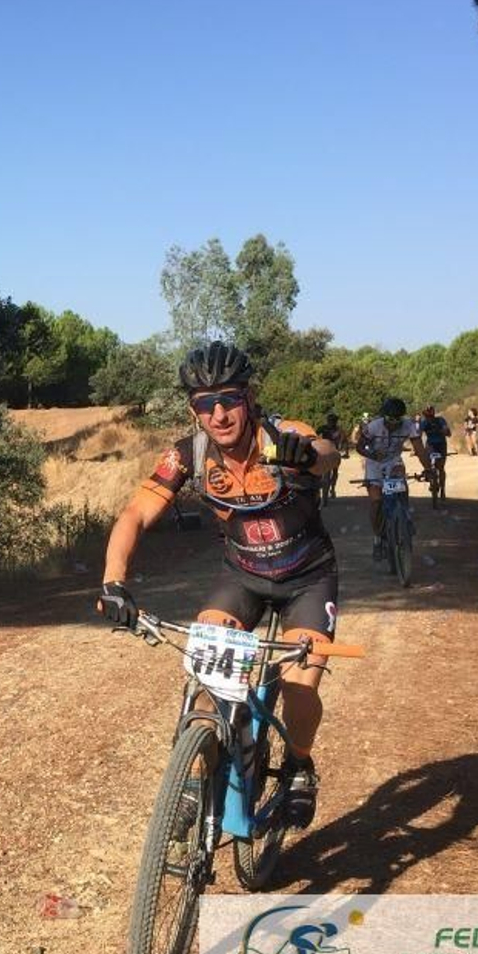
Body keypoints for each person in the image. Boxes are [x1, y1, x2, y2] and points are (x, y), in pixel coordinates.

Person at [95, 341, 342, 827]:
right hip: (242, 577)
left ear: (248, 398)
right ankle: (192, 778)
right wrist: (112, 582)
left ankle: (299, 763)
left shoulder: (281, 436)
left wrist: (306, 456)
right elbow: (136, 513)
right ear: (194, 410)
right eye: (206, 404)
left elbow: (326, 454)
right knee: (206, 682)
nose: (220, 413)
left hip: (308, 579)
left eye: (228, 398)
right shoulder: (191, 453)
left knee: (299, 687)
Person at [356, 397, 431, 559]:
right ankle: (377, 538)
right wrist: (373, 454)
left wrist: (428, 469)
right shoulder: (374, 426)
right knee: (376, 501)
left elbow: (419, 449)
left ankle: (404, 518)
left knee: (401, 488)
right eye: (390, 419)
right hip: (374, 462)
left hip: (393, 461)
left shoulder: (409, 425)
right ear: (384, 416)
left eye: (398, 418)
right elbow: (359, 446)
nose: (394, 423)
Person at [419, 405, 451, 507]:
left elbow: (448, 432)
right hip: (431, 445)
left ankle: (443, 489)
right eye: (426, 415)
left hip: (441, 445)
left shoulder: (440, 420)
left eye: (429, 415)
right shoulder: (424, 423)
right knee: (428, 465)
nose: (428, 417)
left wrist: (444, 431)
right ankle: (430, 477)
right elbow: (418, 434)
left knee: (441, 467)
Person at [316, 412, 346, 504]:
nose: (332, 422)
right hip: (326, 452)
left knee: (334, 472)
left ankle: (332, 488)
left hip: (334, 452)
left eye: (333, 421)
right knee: (327, 473)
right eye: (330, 421)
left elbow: (344, 440)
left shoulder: (339, 430)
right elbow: (314, 435)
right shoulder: (323, 428)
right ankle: (326, 493)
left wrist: (344, 450)